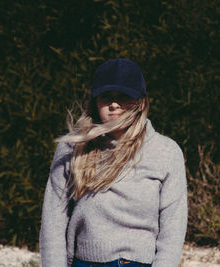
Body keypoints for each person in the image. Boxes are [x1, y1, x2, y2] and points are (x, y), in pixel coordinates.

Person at [39, 58, 187, 267]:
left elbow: (173, 230)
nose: (114, 104)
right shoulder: (72, 148)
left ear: (141, 102)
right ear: (95, 101)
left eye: (124, 96)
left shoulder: (167, 152)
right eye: (106, 96)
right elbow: (53, 223)